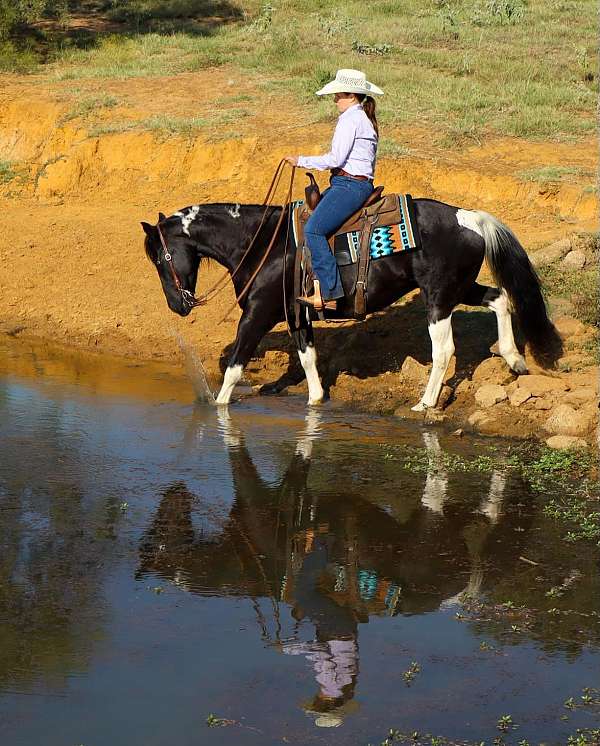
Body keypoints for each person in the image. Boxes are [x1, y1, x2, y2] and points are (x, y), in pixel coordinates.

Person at [285, 69, 383, 311]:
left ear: (351, 95)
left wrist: (301, 160)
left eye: (338, 94)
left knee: (314, 229)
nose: (334, 99)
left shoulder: (351, 119)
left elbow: (335, 159)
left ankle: (329, 292)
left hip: (350, 185)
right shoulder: (361, 117)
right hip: (349, 184)